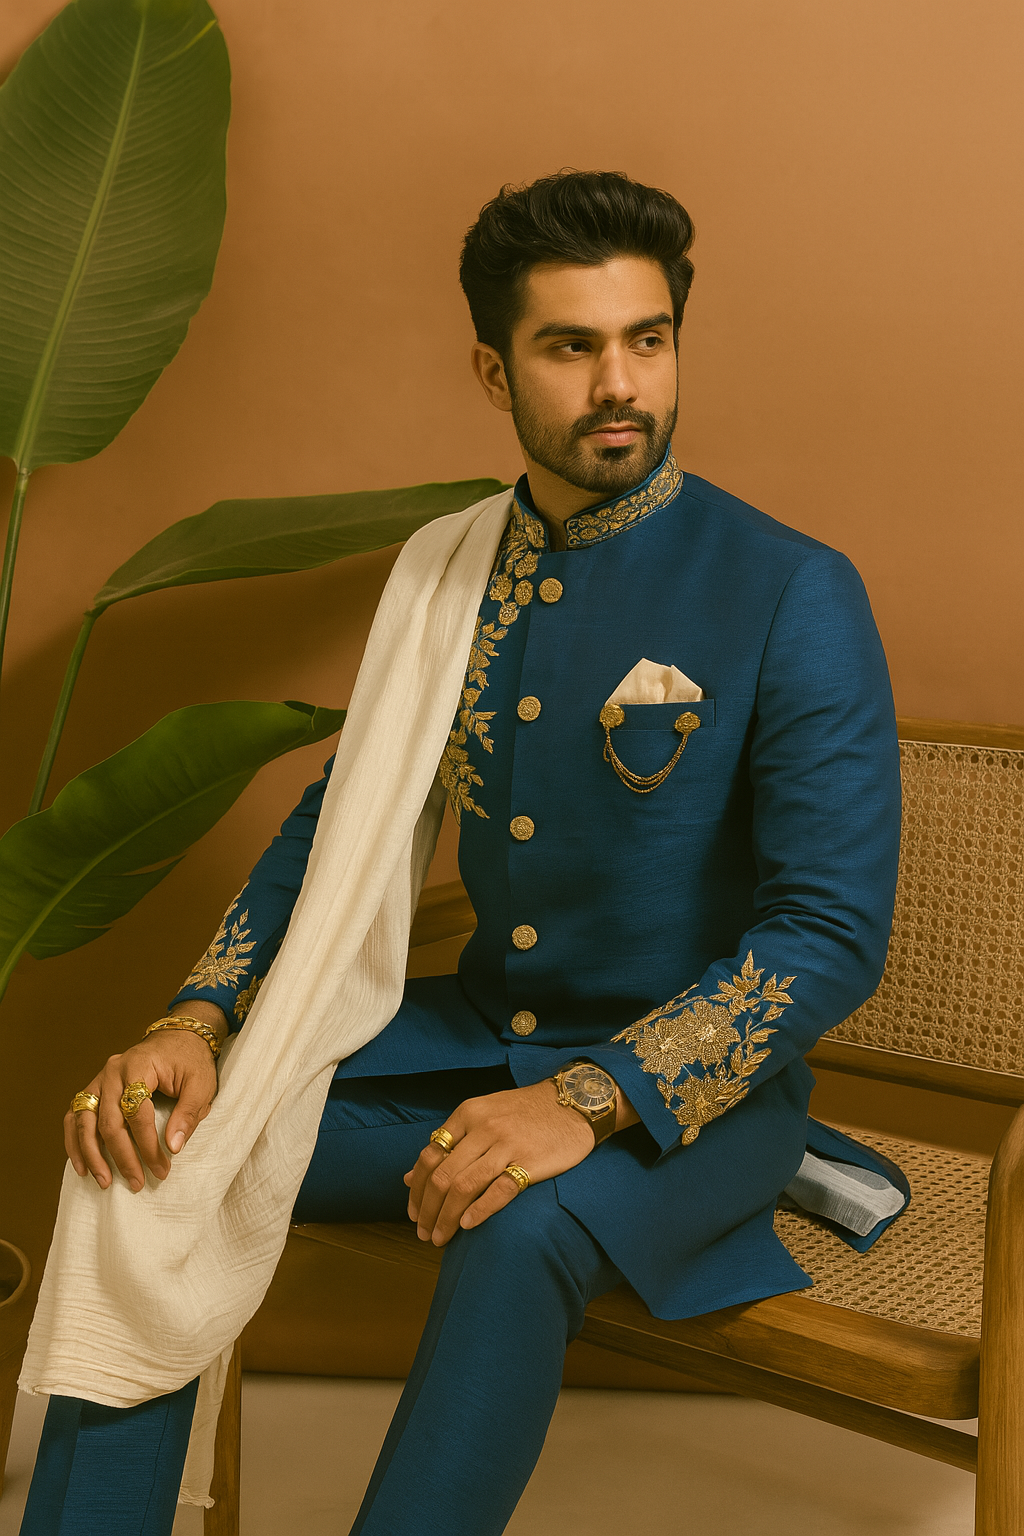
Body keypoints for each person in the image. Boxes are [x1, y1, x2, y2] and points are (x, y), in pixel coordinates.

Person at [21, 170, 904, 1536]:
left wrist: (592, 1102)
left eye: (649, 339)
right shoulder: (452, 571)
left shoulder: (793, 587)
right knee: (152, 1152)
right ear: (494, 371)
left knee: (515, 1218)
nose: (620, 384)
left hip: (697, 1103)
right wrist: (198, 1017)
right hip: (467, 1044)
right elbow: (340, 823)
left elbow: (829, 931)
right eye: (571, 347)